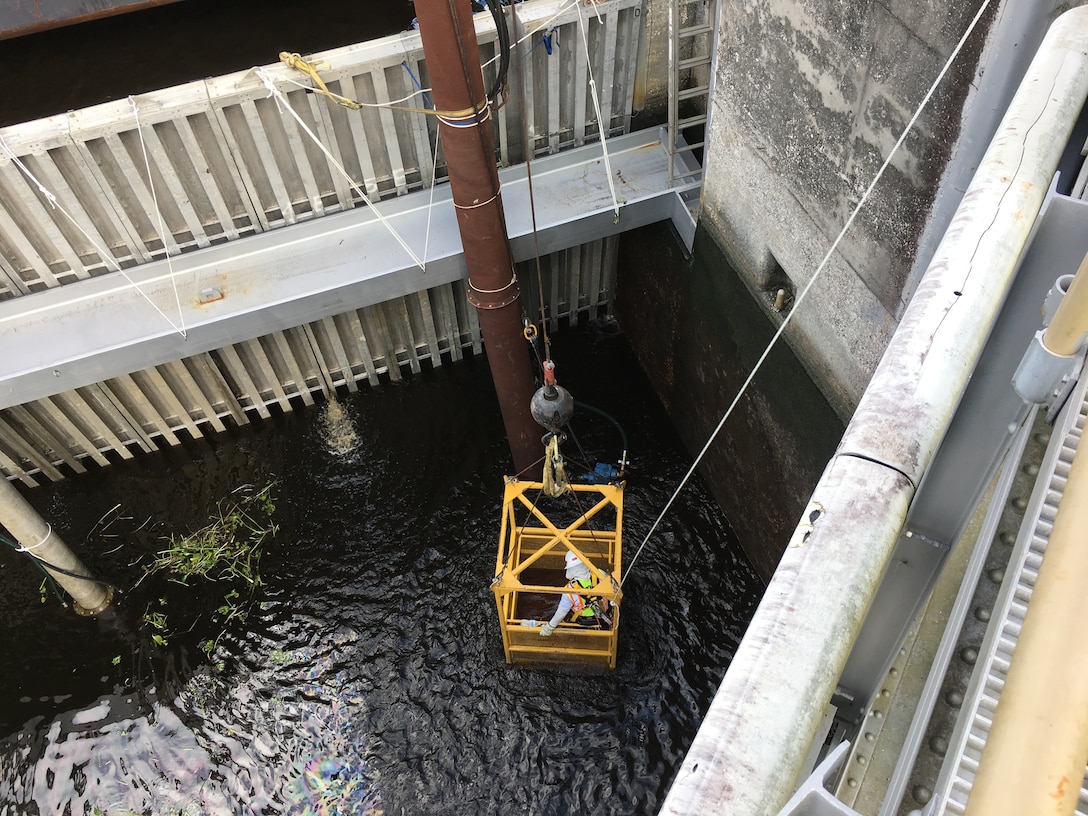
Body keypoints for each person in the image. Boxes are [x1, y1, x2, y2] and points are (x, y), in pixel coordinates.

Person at [540, 550, 611, 636]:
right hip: (603, 615)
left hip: (583, 621)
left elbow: (561, 612)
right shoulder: (600, 574)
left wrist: (549, 627)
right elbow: (613, 586)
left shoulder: (569, 589)